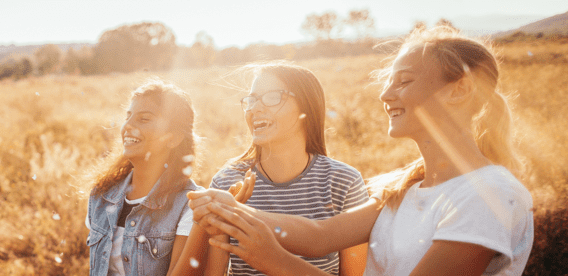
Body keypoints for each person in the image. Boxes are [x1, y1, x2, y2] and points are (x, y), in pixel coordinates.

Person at [188, 26, 533, 276]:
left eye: (404, 81)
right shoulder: (405, 189)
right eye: (388, 81)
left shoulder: (489, 195)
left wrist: (278, 263)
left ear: (460, 90)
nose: (385, 94)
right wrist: (228, 208)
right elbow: (320, 235)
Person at [170, 62, 370, 276]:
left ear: (306, 107)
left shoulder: (344, 182)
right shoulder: (227, 182)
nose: (255, 108)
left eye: (272, 97)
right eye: (252, 100)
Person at [85, 79, 203, 275]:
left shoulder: (189, 204)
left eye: (144, 119)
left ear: (173, 138)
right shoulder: (101, 195)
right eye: (128, 116)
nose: (128, 126)